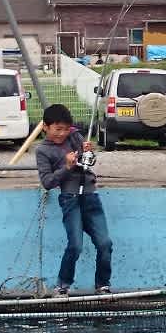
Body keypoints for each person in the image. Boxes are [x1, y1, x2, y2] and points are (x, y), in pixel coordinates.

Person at [36, 104, 113, 295]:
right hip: (70, 199)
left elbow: (89, 162)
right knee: (75, 245)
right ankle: (62, 285)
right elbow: (47, 182)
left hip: (90, 196)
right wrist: (67, 167)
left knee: (105, 244)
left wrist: (89, 152)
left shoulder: (75, 136)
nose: (62, 134)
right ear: (45, 127)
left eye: (66, 129)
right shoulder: (43, 151)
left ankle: (102, 285)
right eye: (57, 129)